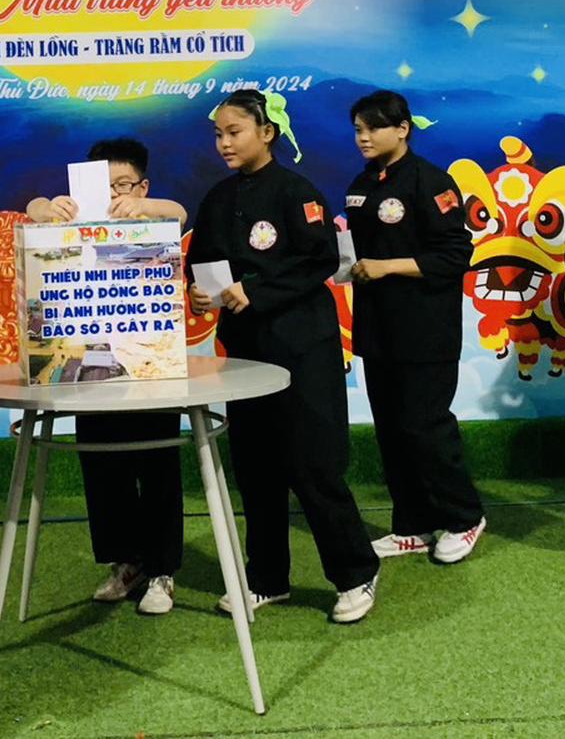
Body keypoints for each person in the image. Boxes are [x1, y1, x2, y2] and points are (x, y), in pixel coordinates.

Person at [187, 88, 381, 624]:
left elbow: (319, 260)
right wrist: (201, 292)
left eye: (235, 132)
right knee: (256, 469)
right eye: (219, 134)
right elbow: (201, 262)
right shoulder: (218, 199)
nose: (225, 143)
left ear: (266, 133)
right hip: (244, 353)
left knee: (313, 465)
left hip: (302, 348)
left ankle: (355, 573)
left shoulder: (298, 192)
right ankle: (267, 579)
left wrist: (256, 290)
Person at [27, 138, 189, 615]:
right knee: (102, 468)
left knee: (157, 465)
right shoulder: (74, 218)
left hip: (149, 367)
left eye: (123, 184)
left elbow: (178, 212)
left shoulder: (154, 218)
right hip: (91, 369)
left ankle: (162, 570)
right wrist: (47, 207)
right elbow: (33, 209)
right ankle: (127, 562)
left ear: (142, 185)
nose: (114, 194)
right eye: (105, 185)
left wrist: (142, 207)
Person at [343, 90, 486, 564]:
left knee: (426, 427)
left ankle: (464, 517)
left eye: (373, 128)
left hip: (425, 330)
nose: (363, 137)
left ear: (402, 129)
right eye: (358, 129)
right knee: (391, 430)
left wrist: (388, 266)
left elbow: (455, 254)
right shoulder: (362, 184)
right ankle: (412, 525)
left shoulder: (431, 181)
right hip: (377, 329)